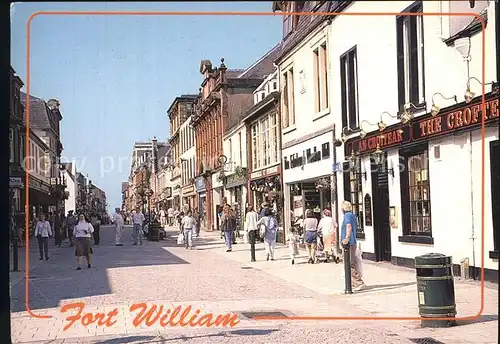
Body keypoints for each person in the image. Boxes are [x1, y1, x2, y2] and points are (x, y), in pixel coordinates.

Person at [341, 201, 365, 291]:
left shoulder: (347, 215)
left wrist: (346, 238)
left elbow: (349, 226)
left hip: (349, 243)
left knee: (348, 264)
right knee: (351, 263)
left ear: (343, 208)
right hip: (352, 242)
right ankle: (353, 284)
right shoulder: (353, 215)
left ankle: (359, 282)